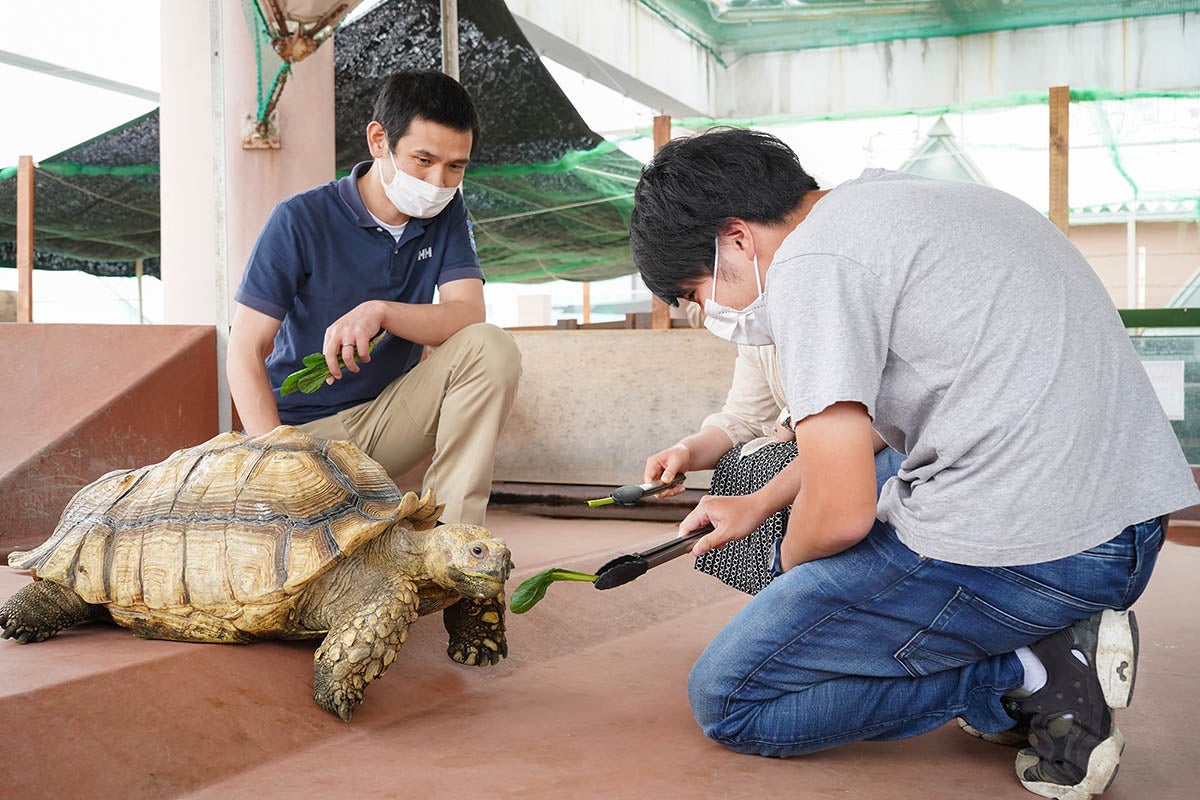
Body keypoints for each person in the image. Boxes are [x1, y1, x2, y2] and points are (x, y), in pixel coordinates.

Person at [628, 127, 1199, 800]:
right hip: (1127, 524)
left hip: (1053, 558)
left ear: (737, 239)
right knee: (810, 502)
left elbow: (838, 516)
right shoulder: (898, 205)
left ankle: (1032, 668)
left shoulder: (811, 266)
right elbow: (870, 435)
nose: (712, 312)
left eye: (696, 293)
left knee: (732, 698)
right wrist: (759, 505)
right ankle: (1040, 641)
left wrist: (790, 579)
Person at [227, 70, 520, 526]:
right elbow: (245, 349)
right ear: (379, 140)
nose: (439, 181)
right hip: (302, 434)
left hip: (383, 420)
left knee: (491, 346)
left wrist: (380, 311)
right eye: (423, 160)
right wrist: (275, 458)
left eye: (455, 166)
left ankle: (453, 545)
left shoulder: (447, 212)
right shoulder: (299, 219)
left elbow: (467, 314)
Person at [643, 307, 903, 595]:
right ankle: (782, 581)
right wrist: (686, 451)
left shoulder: (834, 318)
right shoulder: (757, 333)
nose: (707, 308)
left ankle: (797, 576)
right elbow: (743, 418)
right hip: (827, 447)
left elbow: (871, 421)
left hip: (889, 452)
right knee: (740, 461)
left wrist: (762, 504)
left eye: (695, 295)